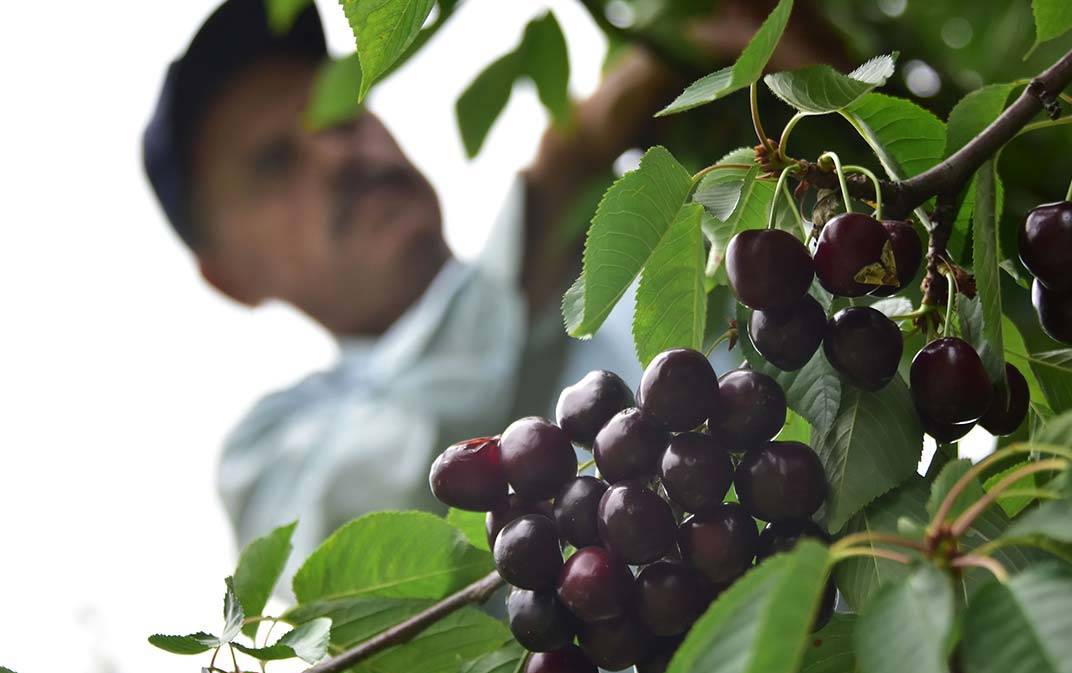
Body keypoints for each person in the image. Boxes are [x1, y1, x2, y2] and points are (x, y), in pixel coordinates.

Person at [143, 0, 846, 563]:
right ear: (229, 277)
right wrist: (571, 154)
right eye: (272, 162)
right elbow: (392, 499)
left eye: (343, 116)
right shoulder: (272, 456)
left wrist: (836, 113)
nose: (336, 156)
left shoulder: (674, 268)